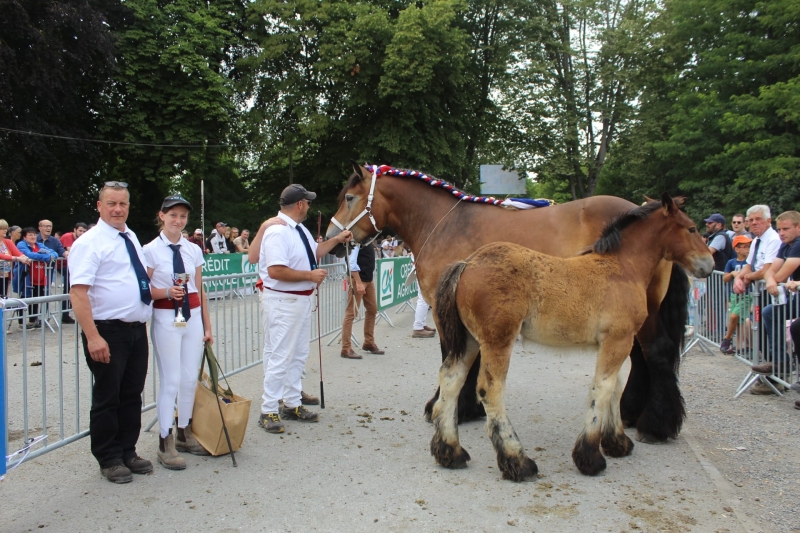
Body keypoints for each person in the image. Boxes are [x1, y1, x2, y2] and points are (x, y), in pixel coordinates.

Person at [69, 181, 154, 484]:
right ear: (99, 206)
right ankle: (108, 458)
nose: (118, 209)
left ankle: (128, 450)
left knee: (132, 393)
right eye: (111, 203)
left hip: (135, 330)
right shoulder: (90, 242)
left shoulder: (128, 236)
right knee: (108, 396)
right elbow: (78, 293)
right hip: (107, 331)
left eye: (123, 204)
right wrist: (93, 336)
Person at [257, 183, 352, 434]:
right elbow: (275, 270)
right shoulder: (278, 232)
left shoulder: (299, 230)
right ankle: (268, 409)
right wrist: (309, 276)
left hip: (300, 300)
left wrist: (336, 239)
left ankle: (291, 402)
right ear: (299, 204)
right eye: (307, 201)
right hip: (283, 300)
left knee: (298, 354)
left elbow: (315, 252)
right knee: (280, 355)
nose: (309, 205)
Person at [143, 195, 213, 470]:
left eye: (183, 216)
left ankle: (184, 430)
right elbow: (142, 288)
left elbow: (200, 289)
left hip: (192, 316)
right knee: (170, 380)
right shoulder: (149, 250)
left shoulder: (193, 249)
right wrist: (165, 292)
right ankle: (164, 439)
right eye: (173, 215)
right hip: (166, 316)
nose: (178, 221)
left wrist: (207, 325)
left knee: (188, 379)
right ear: (162, 216)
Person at [733, 205, 782, 394]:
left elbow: (767, 270)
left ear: (769, 221)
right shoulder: (755, 241)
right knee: (759, 330)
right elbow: (749, 265)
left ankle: (776, 376)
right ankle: (768, 373)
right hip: (759, 292)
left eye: (758, 219)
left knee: (770, 332)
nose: (753, 223)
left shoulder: (773, 240)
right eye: (751, 220)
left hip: (773, 293)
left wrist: (747, 277)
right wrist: (740, 277)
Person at [751, 211, 800, 381]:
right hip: (796, 295)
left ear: (799, 227)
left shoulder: (799, 244)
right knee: (769, 313)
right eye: (779, 229)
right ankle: (781, 361)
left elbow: (781, 275)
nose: (781, 233)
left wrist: (772, 279)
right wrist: (771, 279)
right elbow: (772, 271)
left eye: (786, 229)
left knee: (795, 327)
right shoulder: (786, 245)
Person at [340, 244, 385, 359]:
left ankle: (369, 342)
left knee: (372, 309)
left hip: (368, 279)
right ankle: (346, 348)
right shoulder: (356, 241)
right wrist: (358, 282)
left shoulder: (367, 239)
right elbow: (352, 262)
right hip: (358, 279)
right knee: (351, 313)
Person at [16, 227, 58, 328]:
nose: (33, 236)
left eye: (34, 234)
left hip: (40, 276)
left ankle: (32, 321)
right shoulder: (21, 244)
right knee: (24, 299)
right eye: (30, 235)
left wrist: (49, 255)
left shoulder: (39, 245)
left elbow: (54, 253)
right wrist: (47, 257)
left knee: (36, 299)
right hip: (27, 277)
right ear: (24, 237)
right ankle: (21, 323)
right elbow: (29, 254)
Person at [719, 235, 752, 354]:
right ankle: (740, 347)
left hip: (747, 295)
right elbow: (724, 278)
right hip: (734, 295)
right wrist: (732, 274)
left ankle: (727, 339)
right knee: (738, 322)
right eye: (745, 246)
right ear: (737, 249)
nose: (748, 249)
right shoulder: (731, 262)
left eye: (749, 246)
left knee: (734, 317)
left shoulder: (751, 262)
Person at [58, 222, 88, 323]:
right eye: (80, 231)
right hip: (63, 265)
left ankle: (67, 313)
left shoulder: (82, 239)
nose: (82, 233)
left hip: (71, 266)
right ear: (74, 230)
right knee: (69, 288)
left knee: (71, 288)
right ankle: (65, 314)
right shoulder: (67, 236)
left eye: (84, 231)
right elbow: (71, 251)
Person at [0, 219, 31, 299]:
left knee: (2, 298)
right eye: (2, 228)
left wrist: (25, 258)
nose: (5, 230)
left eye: (5, 228)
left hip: (4, 275)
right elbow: (1, 256)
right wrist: (17, 258)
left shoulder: (7, 241)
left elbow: (17, 252)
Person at [409, 253, 435, 338]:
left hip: (422, 269)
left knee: (424, 299)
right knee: (423, 299)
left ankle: (421, 324)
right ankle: (418, 327)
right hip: (422, 269)